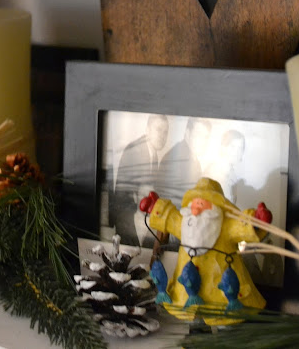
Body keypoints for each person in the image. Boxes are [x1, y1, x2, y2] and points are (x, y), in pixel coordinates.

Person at [140, 178, 271, 324]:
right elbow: (169, 217)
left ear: (214, 207)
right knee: (193, 321)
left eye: (202, 203)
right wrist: (155, 207)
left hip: (222, 294)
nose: (197, 209)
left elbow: (242, 226)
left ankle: (223, 332)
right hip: (187, 291)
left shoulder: (226, 225)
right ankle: (196, 331)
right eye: (195, 202)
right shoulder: (185, 222)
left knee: (225, 320)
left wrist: (256, 221)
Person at [111, 114, 168, 246]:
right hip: (128, 223)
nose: (162, 135)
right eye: (158, 129)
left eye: (165, 132)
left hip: (139, 221)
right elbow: (122, 196)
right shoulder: (136, 151)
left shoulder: (153, 154)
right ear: (148, 130)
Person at [156, 117, 211, 208]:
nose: (203, 141)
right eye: (199, 135)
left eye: (206, 137)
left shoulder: (191, 158)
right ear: (187, 133)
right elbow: (174, 200)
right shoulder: (178, 158)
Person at [204, 129, 245, 203]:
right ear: (223, 147)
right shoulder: (214, 172)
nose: (237, 152)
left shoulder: (231, 173)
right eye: (233, 147)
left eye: (240, 148)